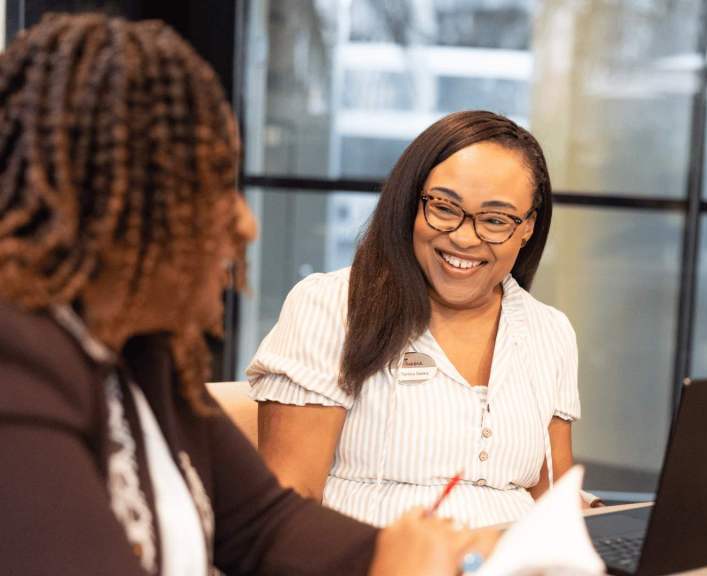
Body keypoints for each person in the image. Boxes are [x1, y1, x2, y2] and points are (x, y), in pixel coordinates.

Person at [0, 14, 491, 575]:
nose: (246, 224)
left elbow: (264, 527)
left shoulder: (145, 355)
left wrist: (398, 552)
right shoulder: (16, 362)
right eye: (211, 189)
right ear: (109, 207)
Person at [247, 110, 585, 528]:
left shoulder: (550, 331)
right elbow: (288, 511)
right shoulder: (331, 305)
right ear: (411, 203)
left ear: (527, 228)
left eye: (495, 220)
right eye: (445, 208)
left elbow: (555, 501)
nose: (464, 237)